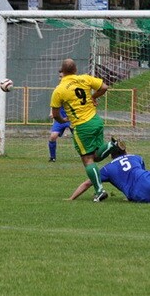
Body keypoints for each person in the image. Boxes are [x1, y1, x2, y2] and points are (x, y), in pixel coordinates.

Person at [51, 58, 121, 202]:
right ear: (75, 70)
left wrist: (63, 121)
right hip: (96, 121)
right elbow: (104, 87)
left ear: (62, 71)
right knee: (96, 156)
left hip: (82, 126)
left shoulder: (59, 90)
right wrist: (93, 97)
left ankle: (100, 191)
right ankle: (112, 145)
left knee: (87, 159)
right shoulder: (85, 78)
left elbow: (56, 114)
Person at [48, 70, 73, 162]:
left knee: (79, 138)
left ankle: (87, 155)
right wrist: (51, 112)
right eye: (59, 77)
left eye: (62, 77)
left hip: (72, 119)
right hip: (60, 118)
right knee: (53, 136)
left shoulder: (73, 89)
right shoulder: (57, 89)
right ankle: (52, 158)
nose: (60, 78)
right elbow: (54, 103)